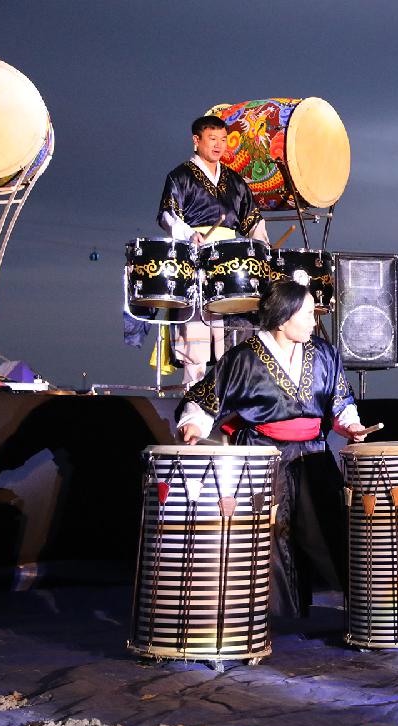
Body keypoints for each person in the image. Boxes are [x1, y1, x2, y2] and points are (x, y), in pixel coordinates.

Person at [176, 281, 368, 616]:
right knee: (268, 535)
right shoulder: (244, 358)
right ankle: (270, 615)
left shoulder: (324, 353)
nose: (314, 321)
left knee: (329, 527)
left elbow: (341, 402)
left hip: (313, 454)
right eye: (307, 314)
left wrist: (349, 425)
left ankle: (361, 614)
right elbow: (205, 398)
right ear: (283, 318)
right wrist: (194, 423)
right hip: (263, 454)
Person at [158, 115, 270, 383]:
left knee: (232, 339)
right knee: (194, 339)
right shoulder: (180, 176)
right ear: (196, 141)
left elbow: (253, 220)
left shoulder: (235, 181)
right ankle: (192, 397)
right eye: (212, 139)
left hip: (231, 266)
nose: (219, 145)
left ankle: (231, 398)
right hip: (197, 262)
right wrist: (189, 234)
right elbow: (167, 215)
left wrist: (263, 249)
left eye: (223, 139)